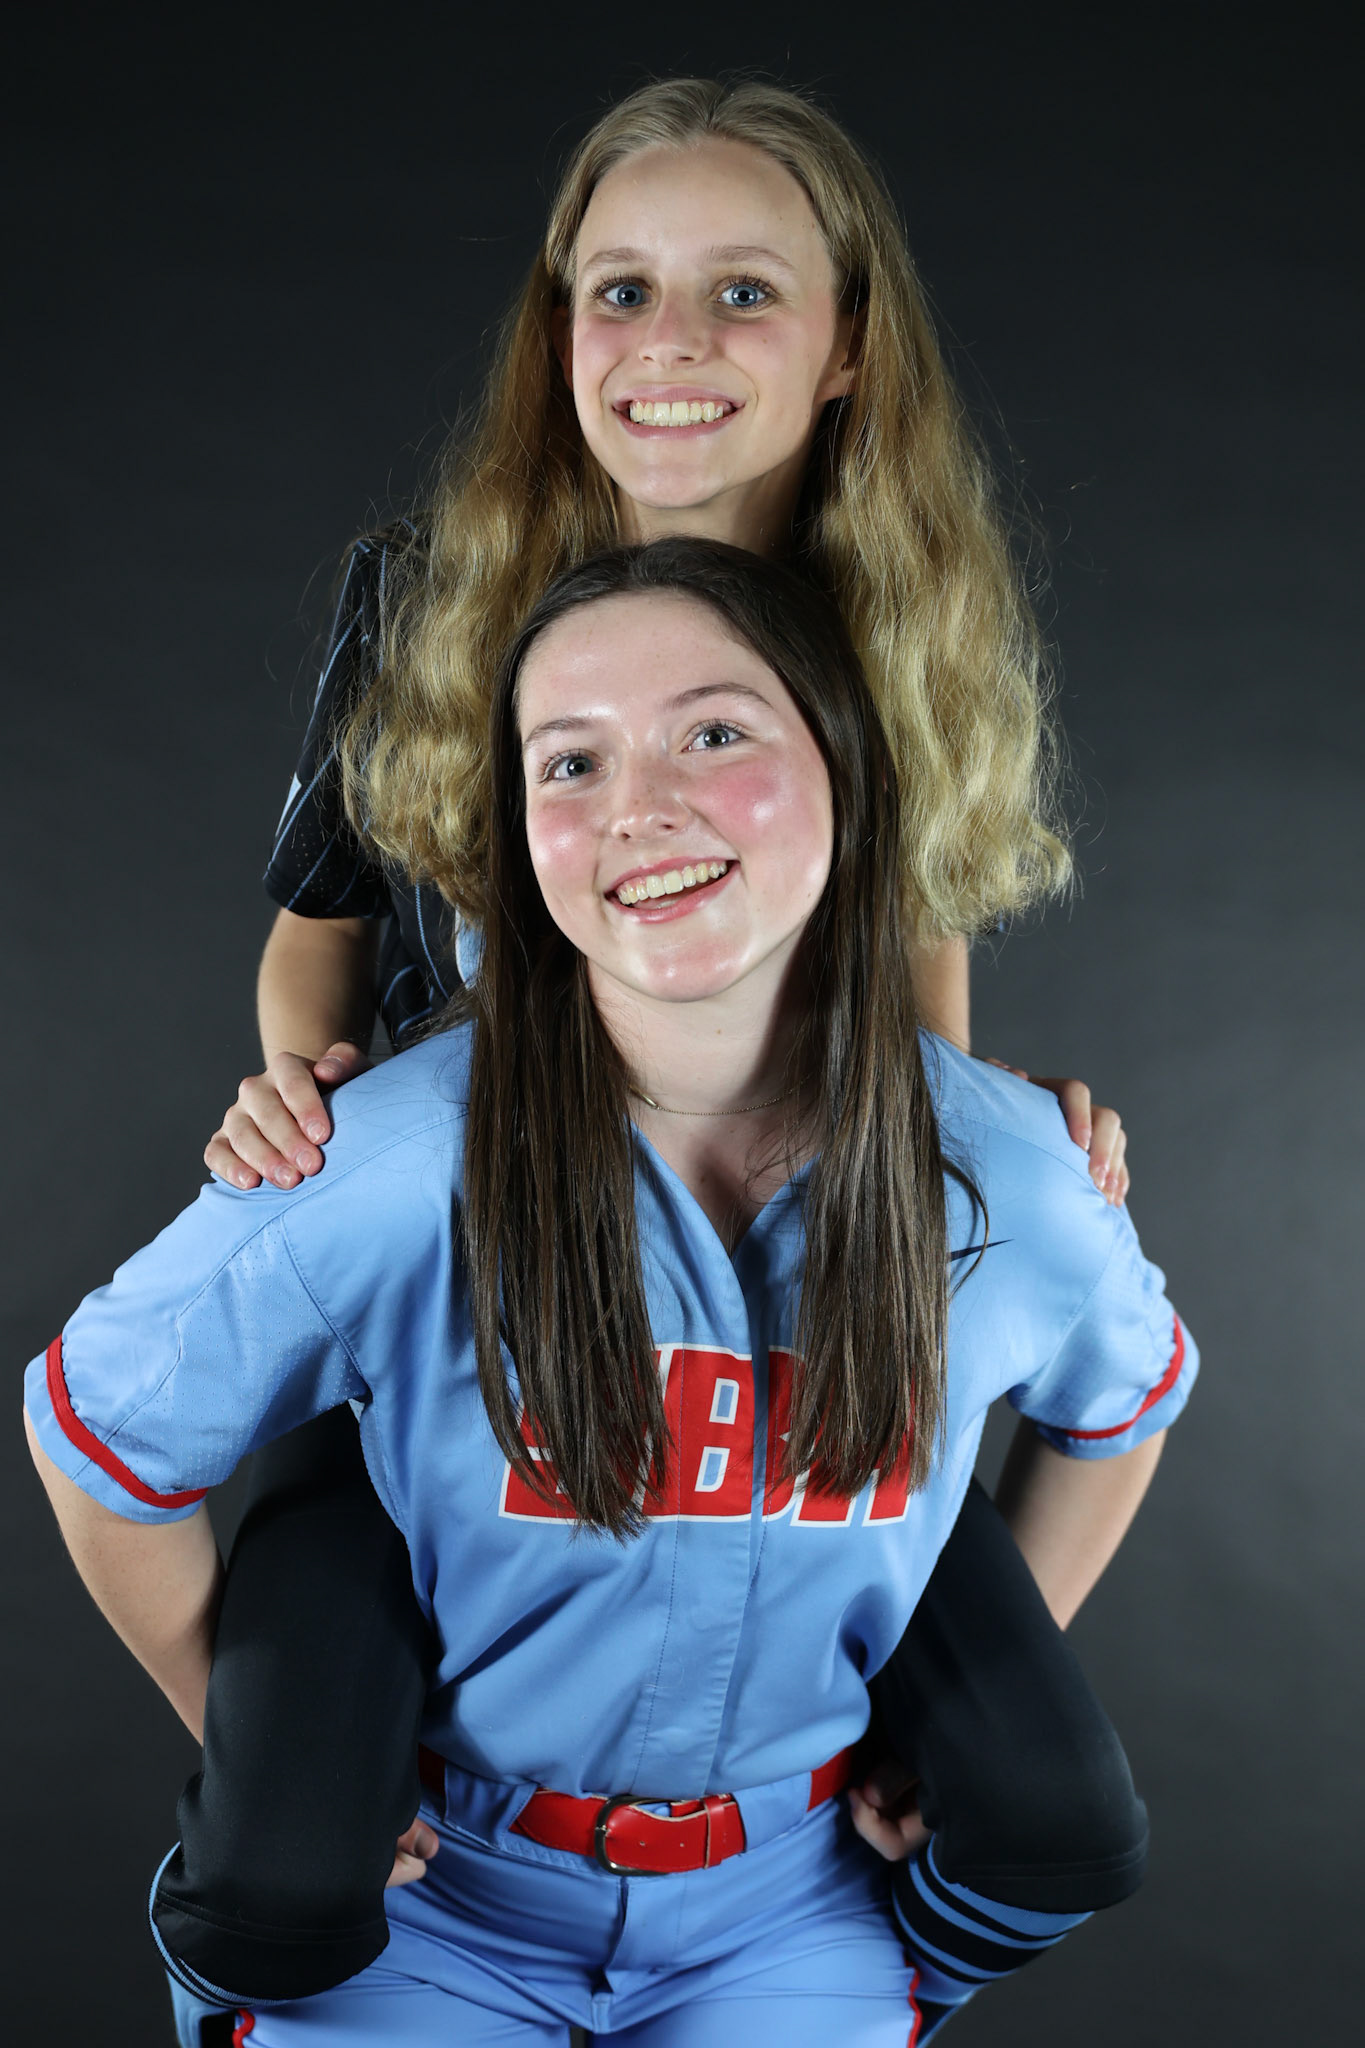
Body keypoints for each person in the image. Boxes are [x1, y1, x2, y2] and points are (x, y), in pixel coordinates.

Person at [171, 73, 1138, 2035]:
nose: (669, 347)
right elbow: (315, 941)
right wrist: (310, 1083)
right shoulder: (430, 598)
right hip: (475, 1318)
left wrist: (969, 1190)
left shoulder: (901, 638)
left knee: (1035, 1803)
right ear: (557, 337)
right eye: (617, 293)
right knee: (283, 1858)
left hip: (777, 1318)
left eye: (740, 294)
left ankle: (819, 1976)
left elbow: (914, 1005)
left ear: (848, 341)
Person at [26, 539, 1194, 2046]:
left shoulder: (1007, 1172)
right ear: (517, 839)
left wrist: (922, 1686)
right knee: (277, 1906)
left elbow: (1122, 1405)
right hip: (430, 1914)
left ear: (849, 767)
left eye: (714, 731)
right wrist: (253, 1748)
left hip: (790, 1901)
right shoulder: (387, 1161)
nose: (639, 803)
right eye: (569, 762)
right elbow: (100, 1432)